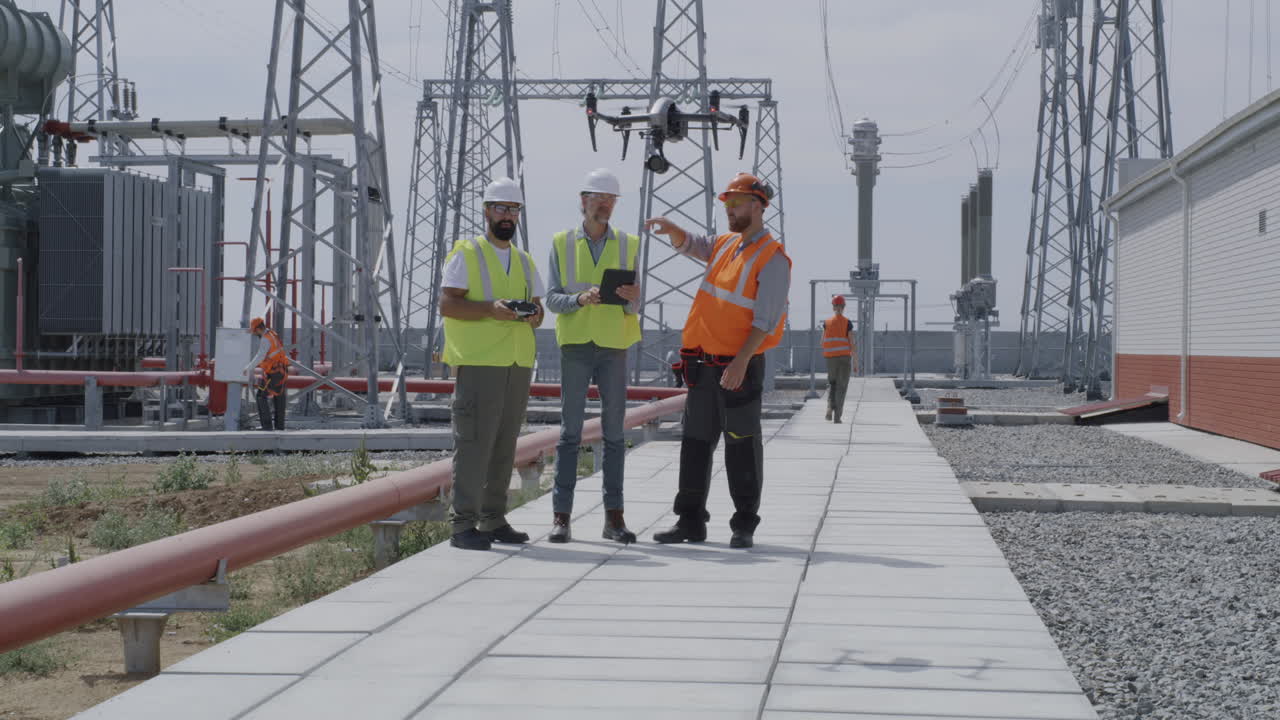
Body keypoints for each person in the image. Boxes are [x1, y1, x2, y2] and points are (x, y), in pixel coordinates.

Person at [644, 172, 791, 549]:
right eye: (727, 204)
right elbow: (696, 244)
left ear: (758, 206)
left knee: (741, 444)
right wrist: (673, 229)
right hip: (702, 365)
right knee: (694, 443)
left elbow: (766, 320)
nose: (729, 210)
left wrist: (741, 362)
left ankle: (744, 524)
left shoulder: (773, 258)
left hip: (738, 366)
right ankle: (690, 521)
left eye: (737, 203)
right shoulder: (726, 244)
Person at [439, 177, 545, 551]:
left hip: (516, 364)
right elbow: (448, 304)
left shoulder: (524, 260)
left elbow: (539, 308)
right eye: (501, 208)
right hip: (480, 363)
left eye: (513, 209)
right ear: (486, 210)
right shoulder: (467, 254)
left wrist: (534, 315)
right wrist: (489, 310)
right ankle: (463, 524)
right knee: (474, 445)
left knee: (504, 445)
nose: (507, 216)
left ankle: (493, 518)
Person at [544, 169, 641, 544]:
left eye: (610, 199)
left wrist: (632, 298)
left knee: (615, 435)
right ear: (583, 201)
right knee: (570, 433)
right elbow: (552, 298)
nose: (604, 204)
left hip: (614, 345)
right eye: (598, 197)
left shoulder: (628, 244)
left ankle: (614, 519)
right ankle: (561, 518)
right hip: (577, 345)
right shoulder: (561, 242)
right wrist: (579, 299)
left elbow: (634, 306)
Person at [245, 317, 289, 430]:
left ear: (258, 329)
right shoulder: (272, 334)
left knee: (260, 396)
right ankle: (280, 427)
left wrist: (249, 368)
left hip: (274, 373)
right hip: (282, 371)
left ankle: (267, 427)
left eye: (254, 331)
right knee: (279, 398)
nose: (254, 334)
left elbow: (260, 356)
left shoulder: (265, 339)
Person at [822, 295, 857, 423]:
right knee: (841, 387)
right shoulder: (847, 323)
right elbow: (851, 344)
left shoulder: (826, 323)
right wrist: (856, 362)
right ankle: (837, 417)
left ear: (833, 307)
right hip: (844, 359)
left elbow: (822, 342)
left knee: (832, 384)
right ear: (843, 307)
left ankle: (829, 408)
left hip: (830, 358)